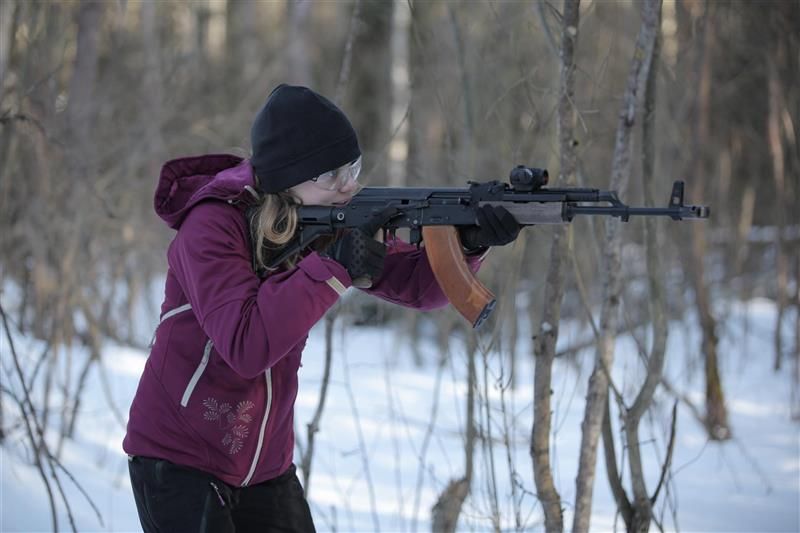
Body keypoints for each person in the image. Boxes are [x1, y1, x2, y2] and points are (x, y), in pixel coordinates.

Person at [123, 84, 520, 532]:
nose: (349, 185)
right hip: (178, 462)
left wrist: (469, 242)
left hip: (264, 467)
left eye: (353, 167)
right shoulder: (211, 225)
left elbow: (420, 289)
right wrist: (332, 268)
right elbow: (246, 343)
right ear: (289, 178)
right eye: (332, 175)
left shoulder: (326, 217)